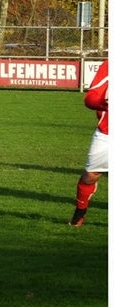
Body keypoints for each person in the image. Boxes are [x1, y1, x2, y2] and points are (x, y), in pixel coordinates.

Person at [68, 60, 108, 226]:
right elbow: (91, 98)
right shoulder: (109, 65)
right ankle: (80, 211)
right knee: (90, 176)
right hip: (107, 132)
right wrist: (105, 103)